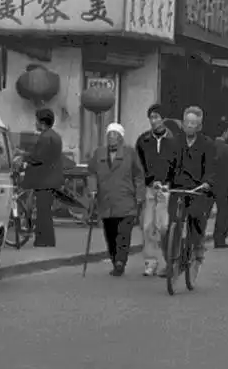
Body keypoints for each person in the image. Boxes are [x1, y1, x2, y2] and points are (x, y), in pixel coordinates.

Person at [88, 123, 145, 276]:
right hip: (106, 201)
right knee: (110, 234)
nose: (111, 138)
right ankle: (115, 259)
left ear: (121, 138)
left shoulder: (130, 153)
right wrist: (92, 188)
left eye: (115, 135)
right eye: (109, 135)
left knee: (123, 233)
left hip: (126, 200)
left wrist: (140, 195)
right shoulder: (99, 153)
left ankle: (120, 261)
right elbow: (92, 173)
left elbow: (139, 175)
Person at [165, 106, 214, 268]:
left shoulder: (207, 144)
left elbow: (210, 167)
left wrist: (207, 182)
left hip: (197, 189)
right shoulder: (174, 142)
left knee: (195, 217)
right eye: (187, 122)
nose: (190, 126)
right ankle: (170, 261)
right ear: (183, 123)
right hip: (178, 187)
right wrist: (162, 181)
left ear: (199, 126)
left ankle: (196, 246)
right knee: (172, 224)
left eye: (194, 123)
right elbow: (167, 165)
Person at [135, 104, 172, 277]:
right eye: (151, 117)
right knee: (147, 226)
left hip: (166, 188)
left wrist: (169, 182)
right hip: (149, 187)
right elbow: (139, 165)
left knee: (163, 226)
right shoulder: (143, 140)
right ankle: (150, 262)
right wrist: (145, 181)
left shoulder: (174, 140)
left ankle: (168, 259)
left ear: (163, 119)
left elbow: (177, 163)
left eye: (157, 117)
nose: (153, 121)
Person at [20, 108, 63, 247]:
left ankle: (44, 240)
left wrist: (24, 156)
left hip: (45, 180)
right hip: (52, 179)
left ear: (42, 122)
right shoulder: (55, 136)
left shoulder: (45, 137)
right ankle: (47, 239)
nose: (35, 123)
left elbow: (38, 157)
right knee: (45, 210)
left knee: (42, 210)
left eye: (37, 121)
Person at [209, 121, 228, 249]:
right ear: (225, 133)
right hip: (223, 184)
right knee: (223, 212)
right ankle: (219, 239)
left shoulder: (207, 147)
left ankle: (196, 238)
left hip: (208, 183)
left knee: (203, 212)